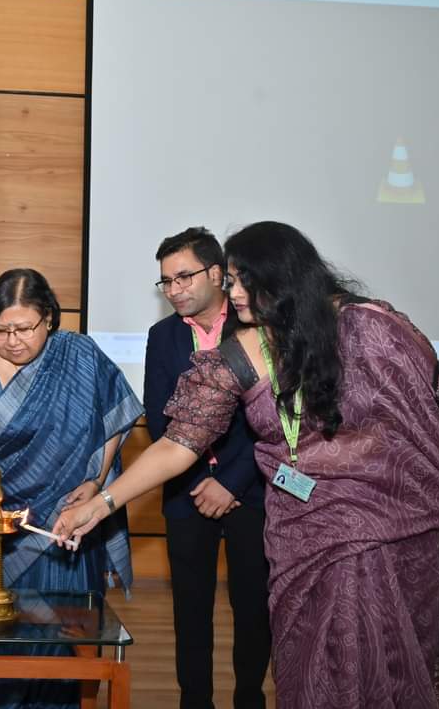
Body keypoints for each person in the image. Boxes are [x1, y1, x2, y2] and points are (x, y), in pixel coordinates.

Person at [54, 222, 439, 709]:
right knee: (308, 669)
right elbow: (178, 441)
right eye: (233, 280)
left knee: (385, 670)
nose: (233, 291)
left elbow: (433, 423)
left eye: (243, 281)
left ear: (282, 279)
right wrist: (102, 504)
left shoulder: (374, 328)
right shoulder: (248, 347)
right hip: (299, 538)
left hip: (388, 539)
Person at [0, 268, 143, 709]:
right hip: (1, 526)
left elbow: (118, 414)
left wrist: (96, 481)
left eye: (24, 328)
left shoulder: (79, 354)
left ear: (50, 319)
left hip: (65, 522)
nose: (13, 340)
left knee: (63, 641)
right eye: (1, 330)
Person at [144, 227, 270, 709]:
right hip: (185, 491)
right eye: (166, 282)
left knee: (252, 607)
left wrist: (231, 482)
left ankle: (249, 699)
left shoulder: (255, 327)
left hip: (251, 490)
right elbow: (161, 417)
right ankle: (194, 701)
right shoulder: (162, 336)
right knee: (190, 608)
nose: (174, 290)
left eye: (183, 277)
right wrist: (199, 482)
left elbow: (270, 422)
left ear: (217, 273)